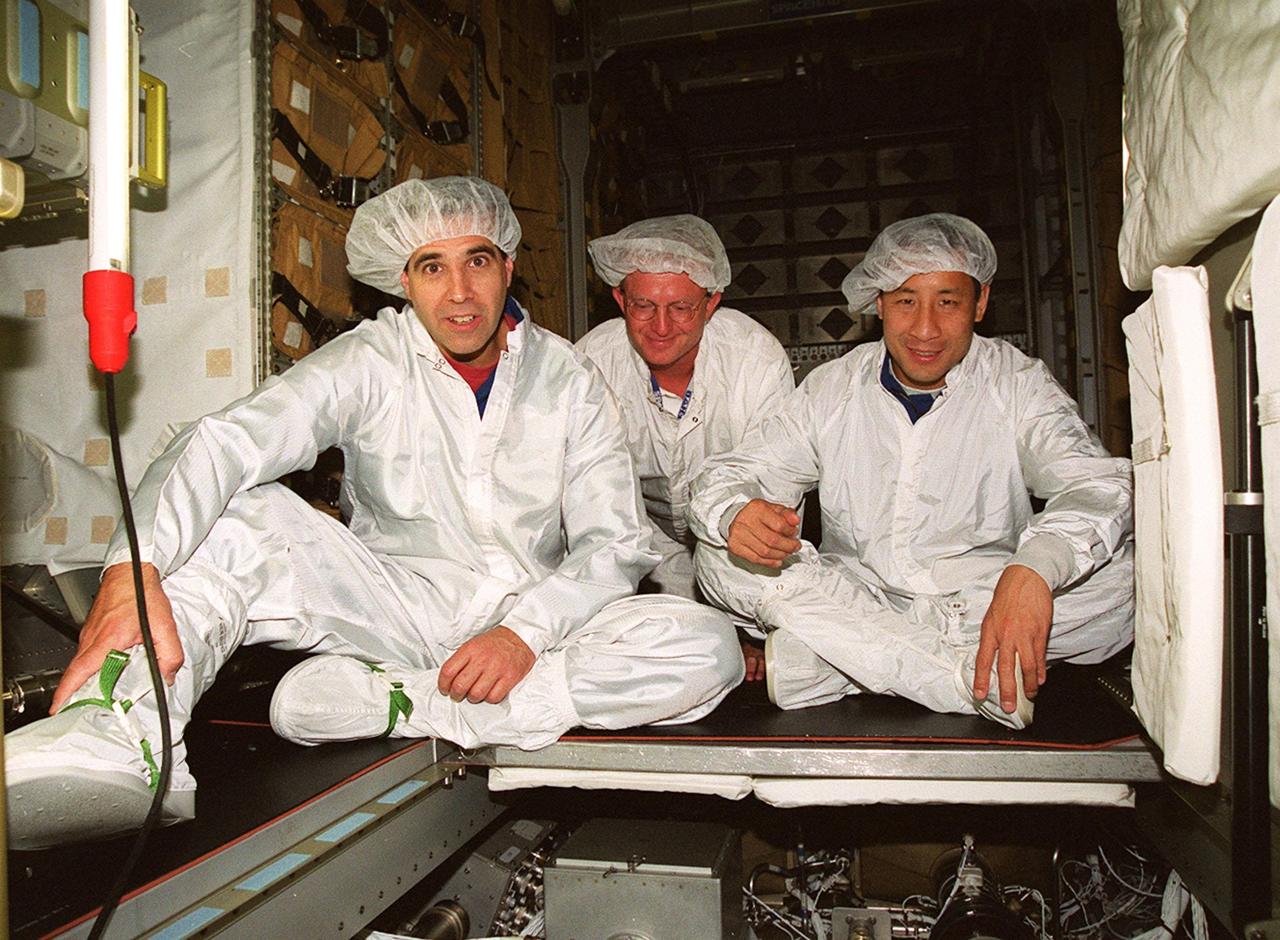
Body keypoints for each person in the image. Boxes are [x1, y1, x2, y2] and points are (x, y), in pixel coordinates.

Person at [6, 177, 743, 850]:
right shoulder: (370, 360)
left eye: (477, 261)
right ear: (404, 280)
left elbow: (612, 543)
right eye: (432, 267)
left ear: (509, 266)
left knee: (706, 648)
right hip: (394, 613)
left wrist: (522, 634)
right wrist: (131, 571)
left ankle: (402, 705)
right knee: (238, 517)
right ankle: (125, 730)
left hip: (533, 630)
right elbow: (229, 439)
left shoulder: (569, 378)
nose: (459, 293)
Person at [689, 212, 1134, 728]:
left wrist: (1034, 568)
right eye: (905, 301)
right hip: (857, 596)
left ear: (981, 302)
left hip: (985, 603)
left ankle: (840, 663)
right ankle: (958, 679)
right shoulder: (830, 389)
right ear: (878, 303)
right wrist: (735, 512)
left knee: (1127, 579)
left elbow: (1097, 485)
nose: (926, 328)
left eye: (948, 301)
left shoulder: (1018, 384)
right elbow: (730, 473)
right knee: (720, 553)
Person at [576, 215, 794, 681]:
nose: (660, 327)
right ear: (619, 298)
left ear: (712, 302)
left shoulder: (756, 361)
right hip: (641, 533)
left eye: (681, 308)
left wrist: (751, 631)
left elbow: (770, 503)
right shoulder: (591, 364)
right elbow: (591, 506)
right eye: (642, 306)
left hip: (734, 538)